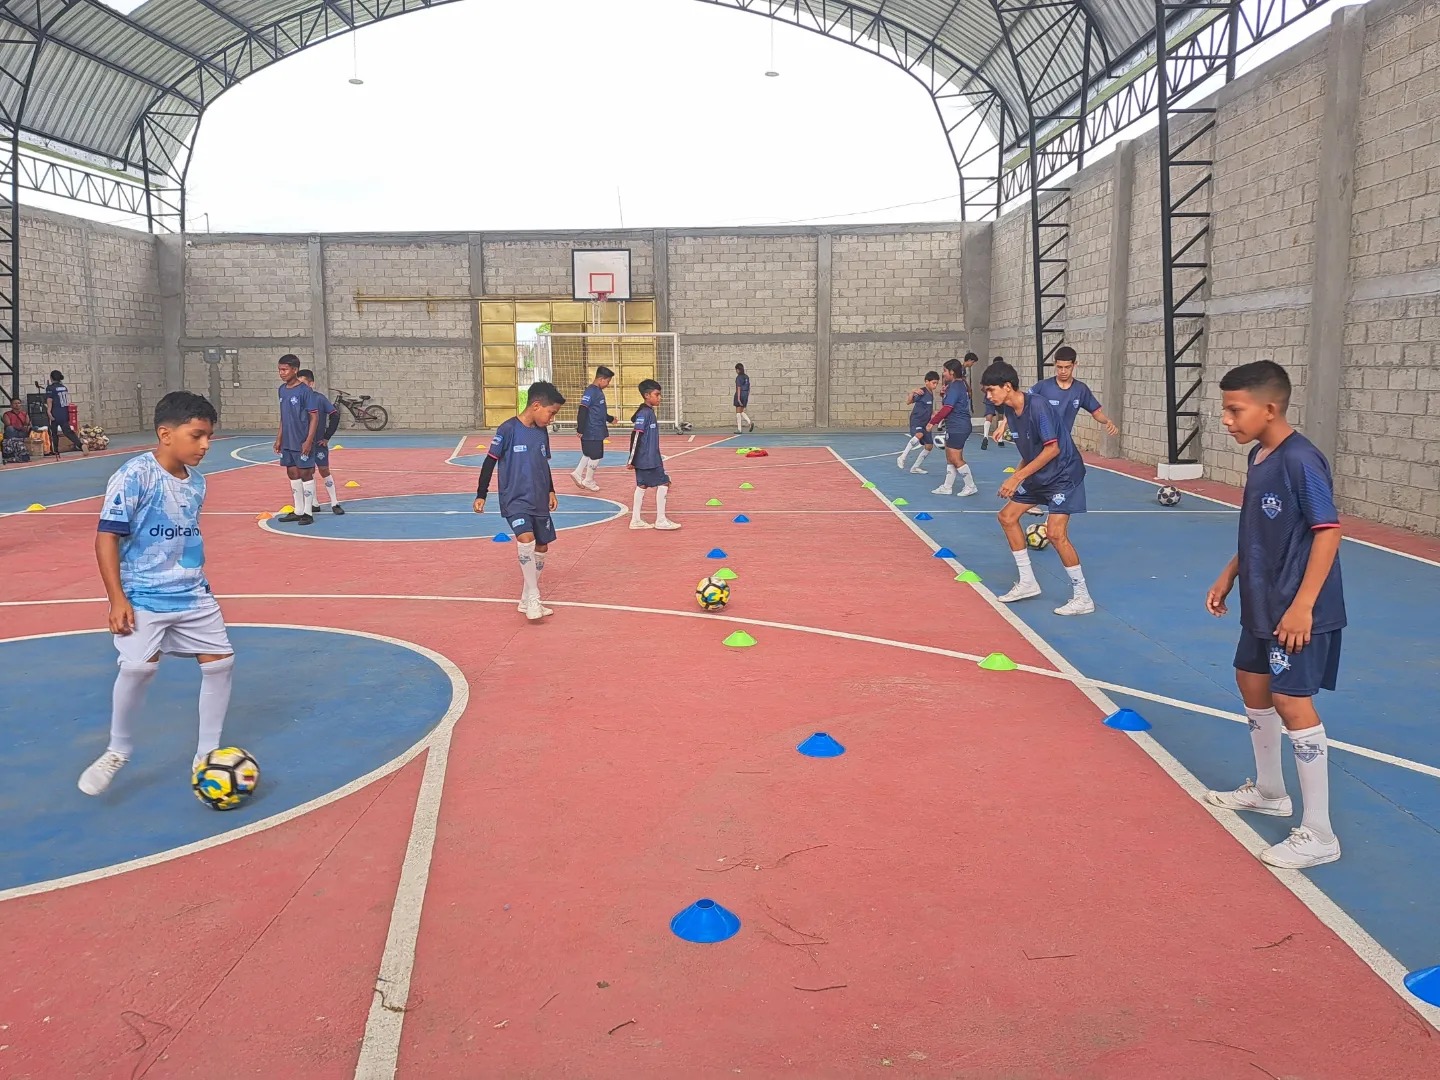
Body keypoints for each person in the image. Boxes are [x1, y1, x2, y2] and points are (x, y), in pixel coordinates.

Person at [1204, 360, 1345, 870]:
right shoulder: (1259, 455)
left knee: (1291, 700)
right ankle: (1269, 791)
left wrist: (1303, 606)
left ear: (1269, 408)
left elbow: (1328, 532)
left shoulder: (1301, 460)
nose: (1226, 420)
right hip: (1261, 602)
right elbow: (1259, 530)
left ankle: (1320, 832)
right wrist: (1230, 573)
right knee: (1251, 681)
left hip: (1297, 608)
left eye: (1234, 410)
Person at [78, 391, 235, 796]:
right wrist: (117, 598)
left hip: (192, 593)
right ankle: (118, 750)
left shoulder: (197, 483)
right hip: (144, 594)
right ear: (166, 434)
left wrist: (195, 573)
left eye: (209, 436)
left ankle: (207, 754)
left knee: (220, 663)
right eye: (197, 435)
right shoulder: (135, 476)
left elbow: (187, 536)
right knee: (137, 669)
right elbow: (106, 537)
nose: (205, 445)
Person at [980, 359, 1093, 615]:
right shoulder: (1010, 411)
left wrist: (1016, 478)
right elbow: (1030, 451)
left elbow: (1052, 449)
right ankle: (1028, 582)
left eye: (991, 390)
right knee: (1007, 517)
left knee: (1055, 533)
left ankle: (1083, 597)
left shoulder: (1038, 406)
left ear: (1007, 386)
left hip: (1064, 474)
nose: (988, 396)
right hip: (1040, 474)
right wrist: (1018, 475)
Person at [474, 381, 566, 622]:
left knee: (542, 547)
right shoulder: (508, 429)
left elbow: (543, 463)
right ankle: (534, 597)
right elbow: (489, 461)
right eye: (551, 413)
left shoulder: (541, 432)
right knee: (526, 540)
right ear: (536, 405)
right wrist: (481, 493)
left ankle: (526, 598)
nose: (552, 419)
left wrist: (551, 490)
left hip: (539, 498)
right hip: (514, 498)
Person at [1032, 346, 1119, 441]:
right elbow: (1024, 403)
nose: (1063, 371)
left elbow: (1096, 412)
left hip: (1064, 441)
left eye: (1067, 367)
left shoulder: (1080, 389)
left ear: (1074, 365)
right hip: (1040, 441)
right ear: (1055, 364)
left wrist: (1107, 421)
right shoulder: (1042, 386)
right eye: (1059, 367)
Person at [628, 379, 681, 531]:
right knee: (664, 483)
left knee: (642, 485)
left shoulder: (646, 411)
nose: (659, 398)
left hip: (647, 458)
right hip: (648, 459)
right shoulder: (645, 413)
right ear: (647, 395)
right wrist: (631, 459)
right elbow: (636, 436)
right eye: (656, 394)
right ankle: (661, 520)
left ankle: (636, 519)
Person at [273, 355, 320, 526]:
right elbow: (283, 417)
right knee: (292, 473)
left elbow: (314, 417)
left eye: (284, 370)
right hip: (288, 441)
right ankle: (298, 510)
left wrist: (308, 440)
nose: (281, 373)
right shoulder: (282, 390)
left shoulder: (305, 391)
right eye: (279, 370)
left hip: (301, 439)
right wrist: (279, 438)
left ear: (295, 370)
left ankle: (308, 512)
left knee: (305, 473)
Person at [926, 358, 978, 496]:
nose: (943, 374)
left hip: (958, 426)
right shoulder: (958, 385)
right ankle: (947, 486)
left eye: (945, 371)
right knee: (950, 457)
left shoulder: (956, 386)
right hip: (955, 425)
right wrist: (944, 394)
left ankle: (970, 486)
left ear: (952, 372)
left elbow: (948, 407)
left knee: (955, 458)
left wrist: (933, 421)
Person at [296, 370, 345, 515]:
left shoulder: (319, 399)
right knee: (307, 472)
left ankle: (334, 502)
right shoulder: (296, 400)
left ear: (311, 384)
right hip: (302, 444)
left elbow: (335, 415)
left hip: (318, 444)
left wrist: (327, 436)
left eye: (303, 383)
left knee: (324, 470)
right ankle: (314, 503)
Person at [571, 365, 616, 492]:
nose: (608, 384)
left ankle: (578, 472)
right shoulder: (591, 391)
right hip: (592, 429)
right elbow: (583, 409)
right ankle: (588, 480)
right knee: (596, 455)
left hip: (597, 428)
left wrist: (610, 418)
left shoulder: (598, 392)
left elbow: (599, 411)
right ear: (601, 379)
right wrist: (580, 429)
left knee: (590, 453)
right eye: (607, 381)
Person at [896, 371, 940, 473]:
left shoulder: (931, 393)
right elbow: (909, 402)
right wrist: (912, 392)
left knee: (929, 446)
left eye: (937, 383)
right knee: (919, 434)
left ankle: (915, 467)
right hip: (917, 420)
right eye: (933, 383)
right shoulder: (922, 392)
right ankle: (902, 457)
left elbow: (928, 407)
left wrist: (934, 413)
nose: (935, 385)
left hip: (926, 422)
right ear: (926, 381)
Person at [45, 370, 87, 456]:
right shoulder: (64, 387)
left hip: (55, 412)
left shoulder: (50, 388)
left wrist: (49, 411)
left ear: (51, 378)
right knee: (67, 431)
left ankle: (55, 450)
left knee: (53, 432)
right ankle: (80, 444)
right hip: (64, 412)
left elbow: (50, 400)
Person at [3, 396, 31, 464]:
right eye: (15, 403)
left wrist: (27, 427)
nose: (17, 405)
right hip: (13, 432)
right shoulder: (6, 414)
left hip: (22, 433)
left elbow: (27, 423)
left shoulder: (25, 413)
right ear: (11, 405)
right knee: (9, 429)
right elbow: (8, 424)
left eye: (18, 403)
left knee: (32, 429)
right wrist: (20, 428)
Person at [734, 363, 754, 433]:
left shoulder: (739, 377)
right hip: (745, 394)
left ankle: (739, 429)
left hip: (740, 394)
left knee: (738, 411)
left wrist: (738, 398)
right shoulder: (746, 377)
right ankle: (749, 422)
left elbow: (738, 388)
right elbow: (748, 388)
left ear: (738, 370)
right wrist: (746, 396)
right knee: (741, 411)